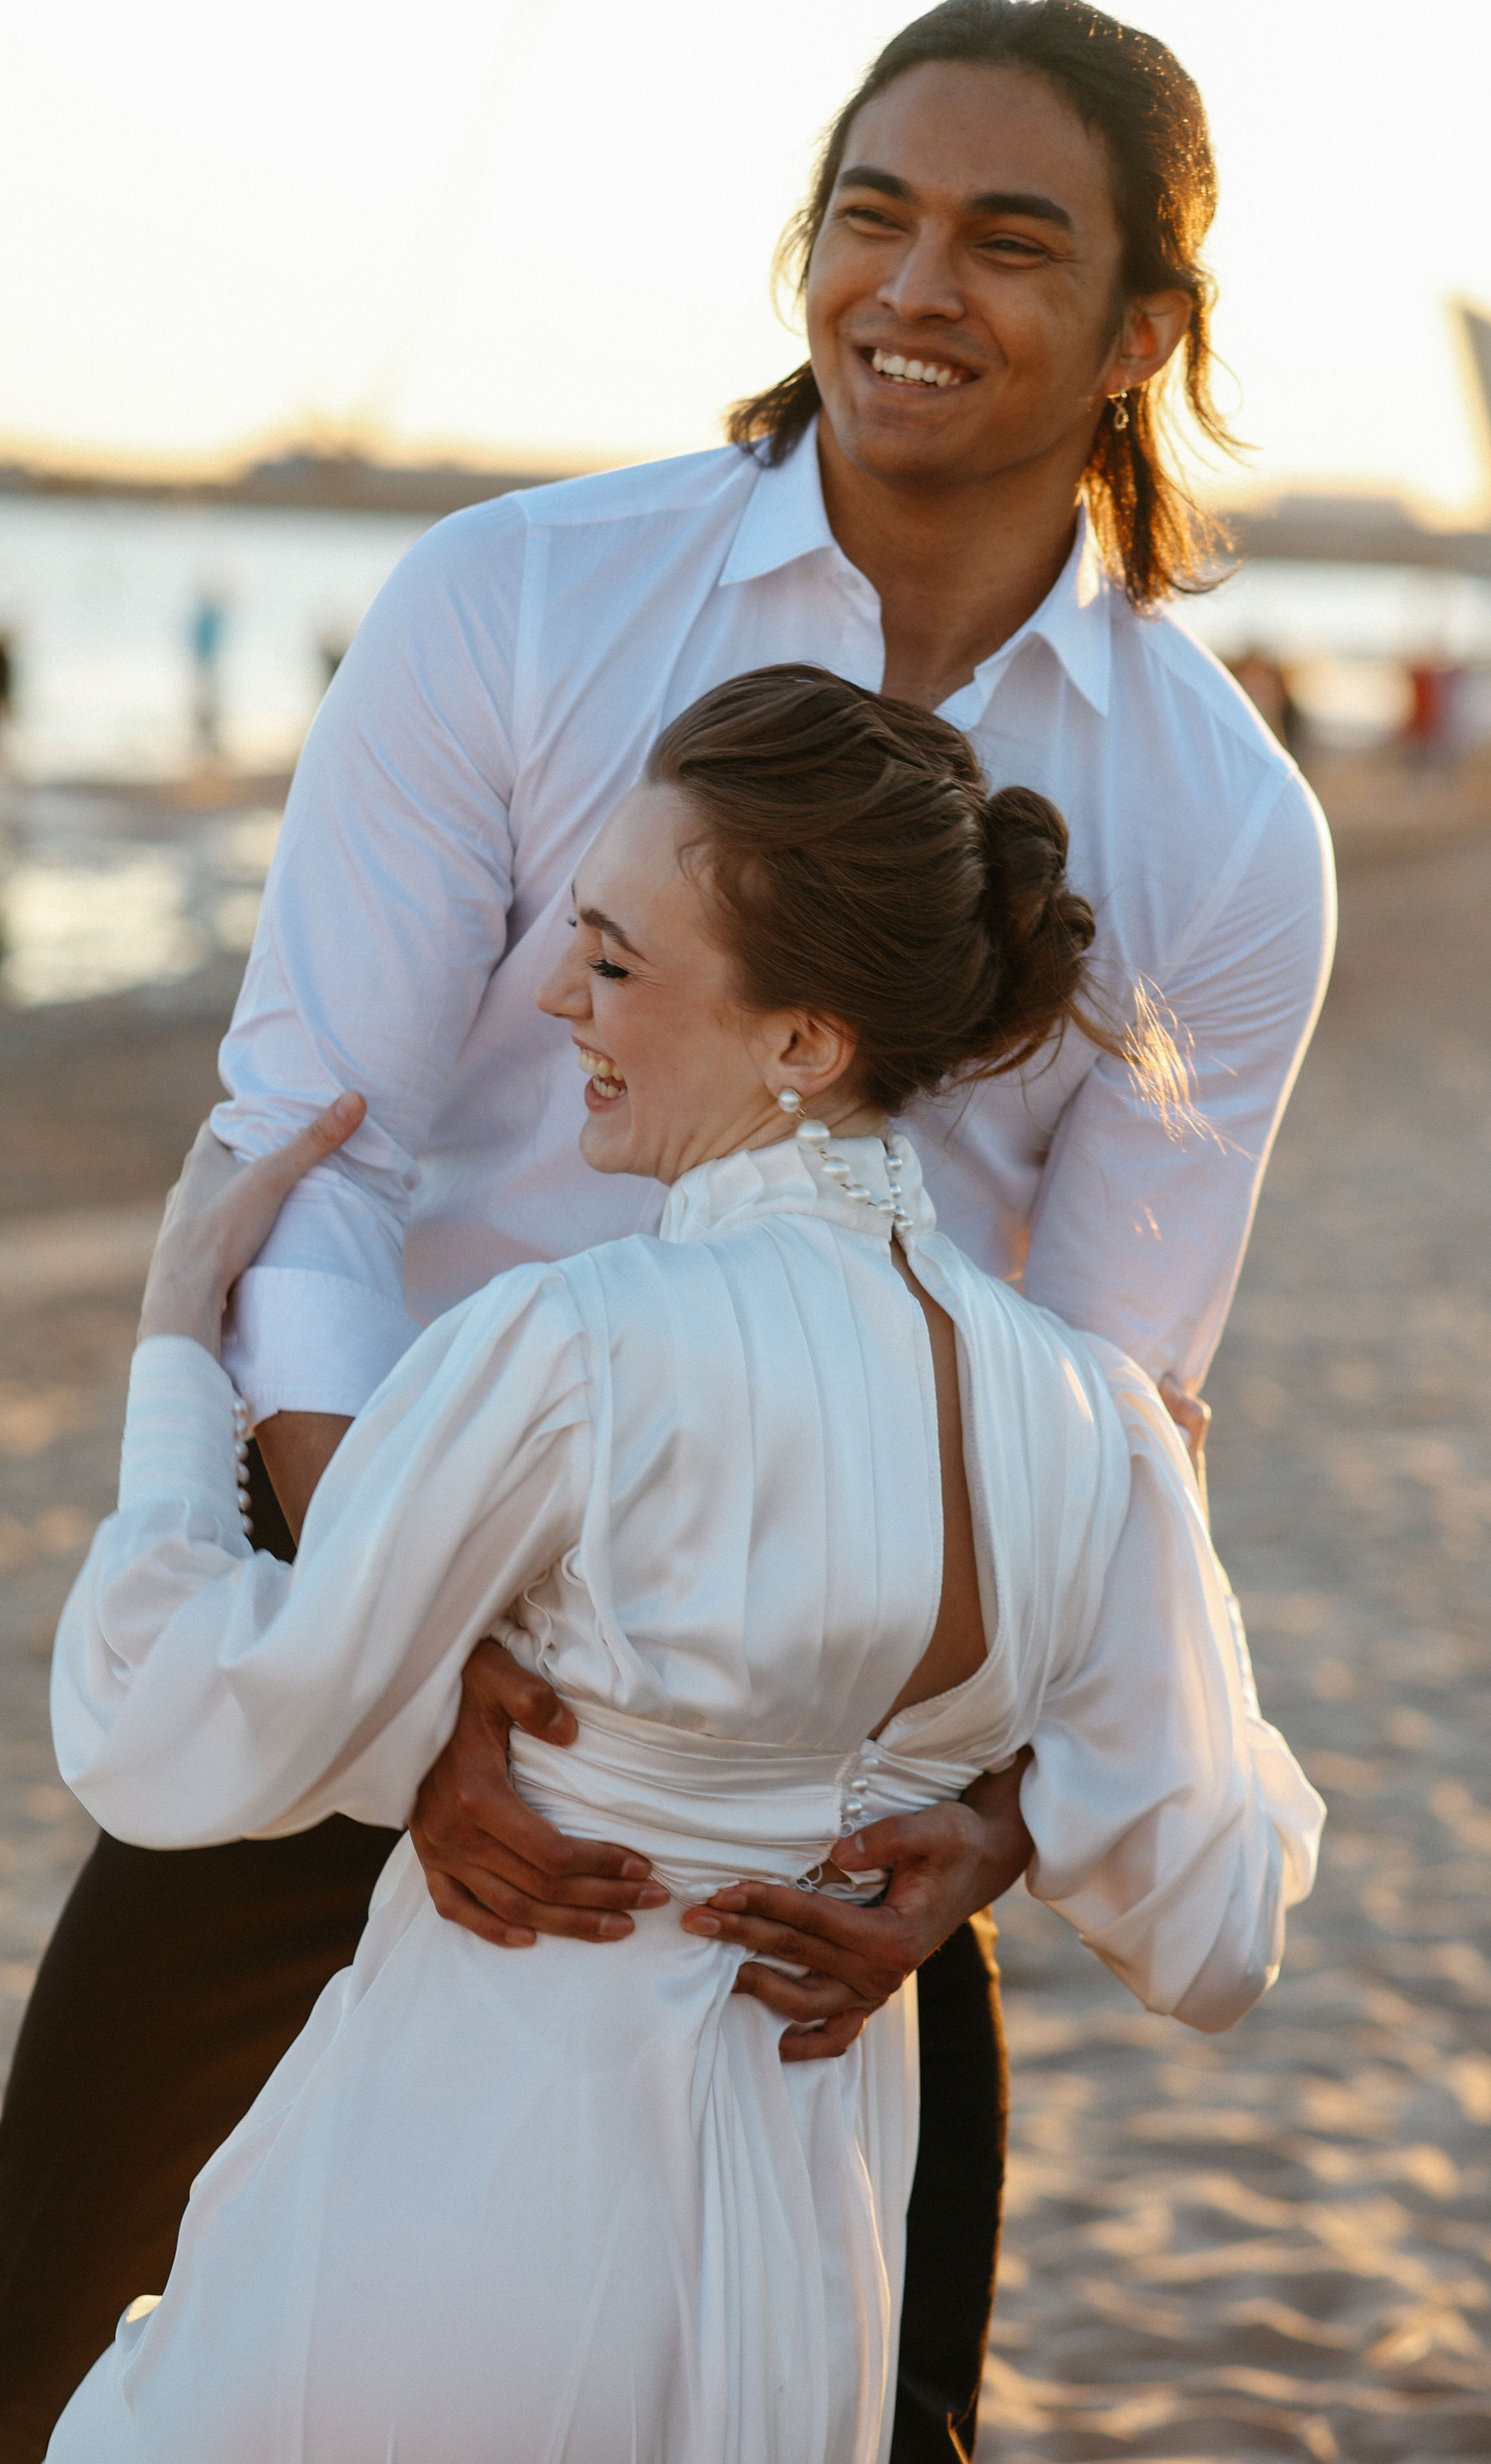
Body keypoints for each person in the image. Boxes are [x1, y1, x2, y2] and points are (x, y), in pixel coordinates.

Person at [0, 6, 1336, 2457]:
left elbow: (1110, 1396)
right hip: (378, 1576)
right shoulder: (516, 601)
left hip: (815, 1795)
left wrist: (995, 1824)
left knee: (854, 2416)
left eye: (1007, 241)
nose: (910, 286)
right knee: (47, 2328)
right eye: (869, 212)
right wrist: (403, 1692)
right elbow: (317, 1155)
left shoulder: (1222, 828)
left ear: (1148, 331)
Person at [47, 670, 1322, 2463]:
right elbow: (1211, 1928)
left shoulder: (572, 1344)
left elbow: (191, 1720)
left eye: (617, 960)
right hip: (802, 2259)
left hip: (468, 2184)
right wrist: (1124, 1690)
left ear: (804, 1042)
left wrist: (183, 1347)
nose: (561, 994)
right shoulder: (1089, 1418)